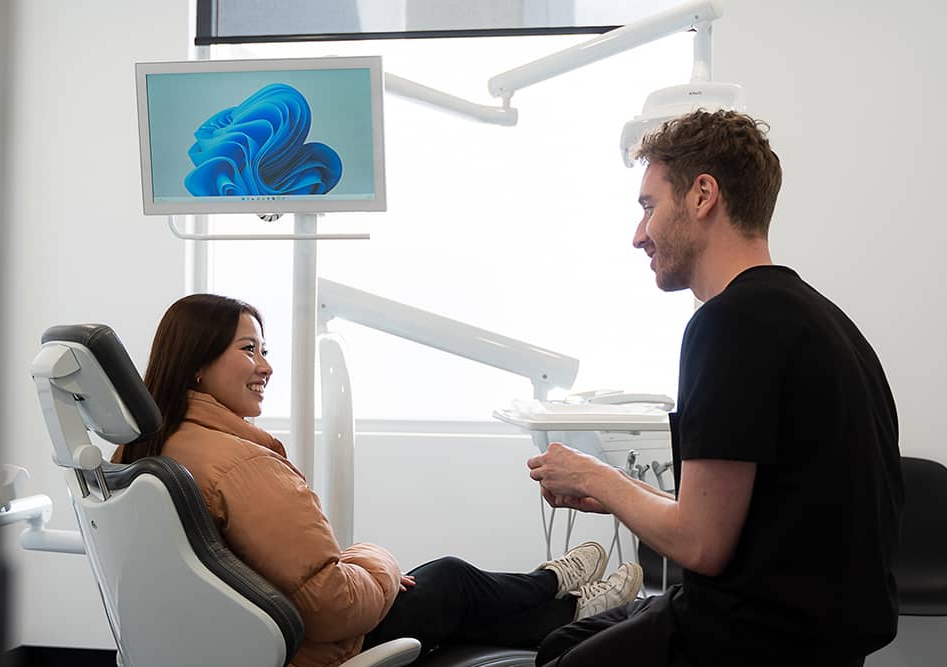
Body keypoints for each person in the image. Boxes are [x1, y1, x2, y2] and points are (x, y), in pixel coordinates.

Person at [526, 110, 903, 667]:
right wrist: (614, 492)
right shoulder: (823, 321)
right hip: (818, 631)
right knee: (563, 640)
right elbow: (740, 519)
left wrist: (593, 474)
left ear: (703, 195)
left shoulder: (731, 323)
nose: (638, 236)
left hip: (752, 636)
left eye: (648, 207)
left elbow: (702, 543)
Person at [113, 293, 645, 667]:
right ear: (198, 365)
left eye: (264, 349)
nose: (266, 366)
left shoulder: (152, 445)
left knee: (448, 588)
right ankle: (561, 596)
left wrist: (357, 568)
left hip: (244, 640)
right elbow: (331, 605)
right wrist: (379, 561)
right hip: (310, 646)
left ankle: (558, 598)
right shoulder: (239, 464)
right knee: (449, 581)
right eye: (248, 349)